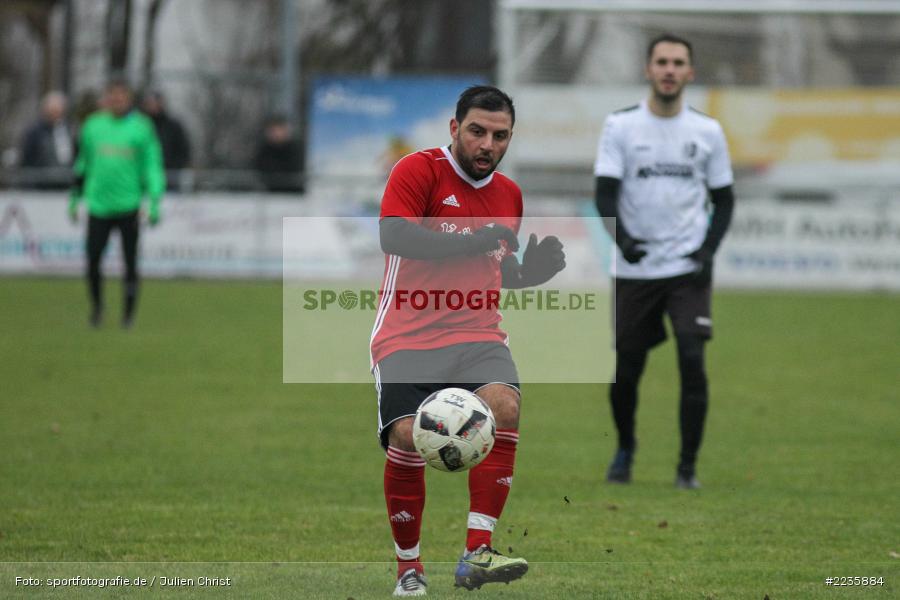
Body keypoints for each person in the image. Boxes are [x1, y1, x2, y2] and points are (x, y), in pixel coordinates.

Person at [371, 85, 565, 596]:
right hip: (407, 333)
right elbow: (395, 236)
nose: (488, 144)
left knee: (505, 406)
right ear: (455, 129)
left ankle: (476, 553)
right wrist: (476, 237)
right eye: (477, 131)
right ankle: (408, 569)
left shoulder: (510, 194)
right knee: (408, 439)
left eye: (500, 136)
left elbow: (495, 267)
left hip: (477, 331)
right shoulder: (417, 170)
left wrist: (531, 273)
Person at [593, 34, 735, 489]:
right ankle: (624, 449)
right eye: (662, 62)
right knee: (627, 368)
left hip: (687, 269)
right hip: (635, 269)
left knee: (693, 358)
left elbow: (725, 200)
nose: (670, 70)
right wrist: (625, 240)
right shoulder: (620, 126)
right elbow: (604, 194)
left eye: (678, 63)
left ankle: (687, 467)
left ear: (690, 73)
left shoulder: (708, 132)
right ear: (648, 70)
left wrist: (707, 251)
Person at [68, 78, 166, 329]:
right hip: (99, 205)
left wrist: (154, 200)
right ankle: (98, 308)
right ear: (107, 99)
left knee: (130, 262)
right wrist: (75, 197)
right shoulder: (92, 126)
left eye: (122, 97)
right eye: (113, 96)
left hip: (129, 205)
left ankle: (128, 315)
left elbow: (152, 166)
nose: (117, 101)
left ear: (129, 99)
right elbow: (83, 164)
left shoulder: (142, 127)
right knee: (92, 261)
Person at [20, 91, 75, 188]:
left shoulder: (69, 129)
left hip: (66, 184)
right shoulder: (34, 132)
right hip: (42, 185)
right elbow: (27, 159)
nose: (55, 114)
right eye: (52, 111)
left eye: (58, 111)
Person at [139, 90, 191, 188]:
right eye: (149, 103)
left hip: (169, 178)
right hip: (144, 178)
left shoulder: (173, 126)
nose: (152, 106)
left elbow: (183, 151)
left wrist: (171, 166)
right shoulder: (139, 125)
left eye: (155, 102)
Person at [253, 115, 304, 193]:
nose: (276, 134)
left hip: (292, 197)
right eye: (273, 130)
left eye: (279, 130)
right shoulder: (263, 150)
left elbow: (295, 174)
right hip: (268, 195)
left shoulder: (295, 150)